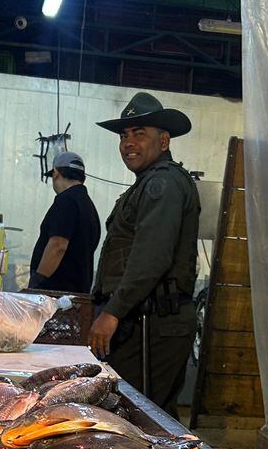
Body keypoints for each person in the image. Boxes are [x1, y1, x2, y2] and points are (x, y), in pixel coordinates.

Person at [89, 93, 201, 405]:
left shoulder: (162, 183)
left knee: (142, 414)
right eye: (124, 136)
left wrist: (112, 312)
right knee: (146, 412)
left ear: (163, 141)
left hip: (151, 323)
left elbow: (152, 257)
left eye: (139, 134)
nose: (128, 143)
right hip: (143, 320)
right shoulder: (148, 183)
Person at [27, 150, 100, 294]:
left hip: (57, 293)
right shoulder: (88, 206)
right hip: (78, 292)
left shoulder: (66, 200)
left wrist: (37, 283)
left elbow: (58, 245)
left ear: (56, 173)